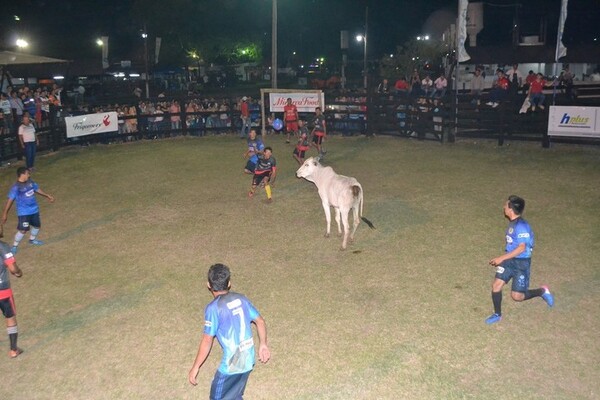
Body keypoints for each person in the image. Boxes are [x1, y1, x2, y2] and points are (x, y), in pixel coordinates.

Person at [188, 263, 270, 399]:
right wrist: (263, 344)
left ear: (209, 285)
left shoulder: (213, 309)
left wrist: (196, 366)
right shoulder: (242, 299)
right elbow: (260, 321)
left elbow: (207, 340)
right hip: (248, 359)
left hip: (231, 366)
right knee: (234, 395)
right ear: (229, 283)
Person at [485, 195, 554, 325]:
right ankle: (497, 314)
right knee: (496, 285)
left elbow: (522, 248)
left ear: (511, 209)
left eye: (506, 205)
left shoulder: (522, 226)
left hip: (521, 264)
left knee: (517, 297)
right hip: (510, 260)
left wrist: (501, 258)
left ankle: (542, 291)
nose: (504, 207)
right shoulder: (513, 223)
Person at [1, 167, 55, 254]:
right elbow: (10, 200)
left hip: (34, 210)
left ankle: (32, 240)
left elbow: (36, 189)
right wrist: (5, 214)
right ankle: (15, 246)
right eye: (27, 173)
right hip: (24, 212)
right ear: (22, 174)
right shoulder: (16, 187)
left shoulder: (30, 182)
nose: (29, 175)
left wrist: (47, 195)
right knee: (23, 230)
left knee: (37, 226)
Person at [0, 234, 23, 358]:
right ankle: (13, 350)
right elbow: (13, 268)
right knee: (10, 317)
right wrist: (19, 272)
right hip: (2, 290)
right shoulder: (2, 246)